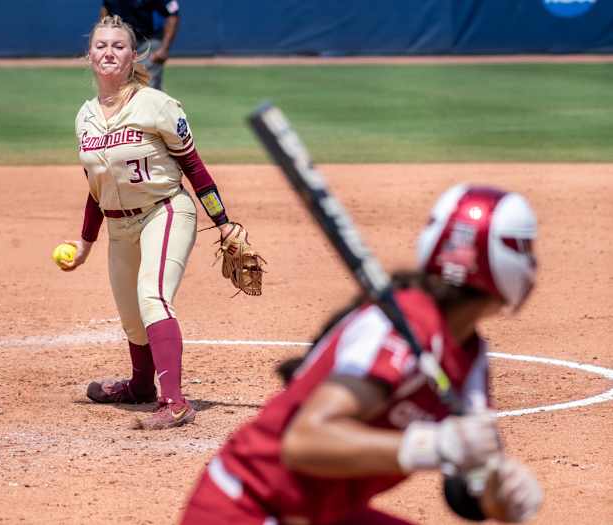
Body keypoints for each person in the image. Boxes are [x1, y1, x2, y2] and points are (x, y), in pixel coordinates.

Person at [179, 185, 543, 524]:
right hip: (247, 507)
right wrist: (433, 444)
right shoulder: (401, 327)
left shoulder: (469, 352)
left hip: (320, 512)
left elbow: (466, 489)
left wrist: (500, 492)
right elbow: (305, 442)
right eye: (525, 248)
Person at [59, 15, 236, 430]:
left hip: (166, 211)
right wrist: (86, 242)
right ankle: (141, 385)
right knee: (130, 315)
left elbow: (194, 166)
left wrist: (223, 222)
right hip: (120, 226)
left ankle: (174, 402)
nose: (108, 52)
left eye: (118, 46)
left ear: (133, 55)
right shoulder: (85, 116)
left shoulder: (156, 104)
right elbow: (96, 186)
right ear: (89, 55)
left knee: (152, 296)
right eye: (101, 45)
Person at [100, 0, 180, 91]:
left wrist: (164, 48)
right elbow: (105, 9)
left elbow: (173, 13)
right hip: (121, 43)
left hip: (149, 42)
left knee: (148, 88)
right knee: (118, 88)